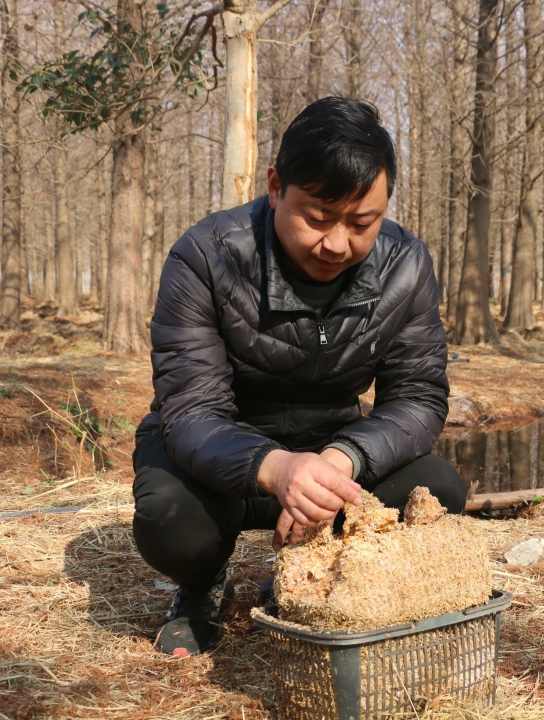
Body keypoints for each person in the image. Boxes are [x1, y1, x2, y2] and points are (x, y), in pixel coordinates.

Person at [131, 97, 467, 657]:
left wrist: (341, 461)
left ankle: (311, 576)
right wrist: (278, 467)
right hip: (221, 456)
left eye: (362, 223)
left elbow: (418, 397)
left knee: (440, 491)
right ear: (274, 187)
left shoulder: (404, 264)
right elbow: (189, 411)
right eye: (317, 217)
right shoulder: (204, 258)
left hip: (332, 446)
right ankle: (201, 589)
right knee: (170, 519)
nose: (338, 244)